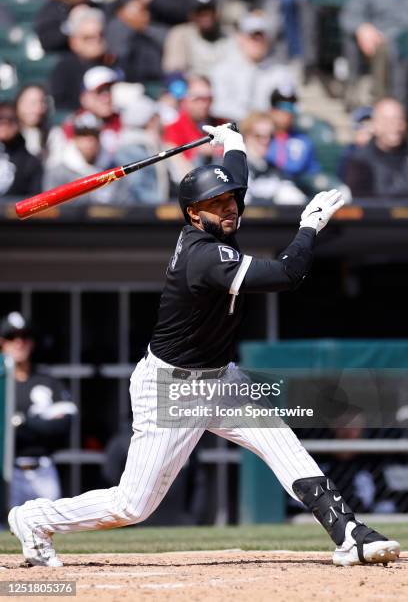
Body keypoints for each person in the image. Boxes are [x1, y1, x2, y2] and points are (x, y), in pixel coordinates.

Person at [9, 123, 399, 568]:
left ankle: (350, 533)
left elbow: (236, 173)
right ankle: (36, 517)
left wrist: (230, 140)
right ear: (195, 214)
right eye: (217, 204)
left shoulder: (217, 226)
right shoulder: (204, 255)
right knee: (132, 506)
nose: (229, 209)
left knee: (282, 443)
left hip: (219, 377)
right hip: (173, 387)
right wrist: (308, 227)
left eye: (231, 200)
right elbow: (286, 275)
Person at [0, 312, 76, 508]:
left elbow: (63, 425)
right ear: (2, 342)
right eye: (11, 337)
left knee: (50, 525)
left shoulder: (47, 381)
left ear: (32, 342)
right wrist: (38, 423)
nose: (19, 343)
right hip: (6, 470)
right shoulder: (2, 383)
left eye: (24, 337)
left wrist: (20, 422)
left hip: (43, 469)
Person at [210, 10, 295, 122]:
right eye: (253, 37)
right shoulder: (222, 70)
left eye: (262, 37)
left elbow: (289, 107)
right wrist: (252, 120)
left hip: (269, 131)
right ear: (241, 38)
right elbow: (218, 107)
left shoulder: (280, 72)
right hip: (233, 130)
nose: (258, 42)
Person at [340, 0, 408, 106]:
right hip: (381, 43)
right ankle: (381, 104)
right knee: (385, 50)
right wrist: (362, 28)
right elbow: (348, 18)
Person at [47, 66, 123, 166]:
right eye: (100, 92)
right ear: (84, 97)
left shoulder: (125, 120)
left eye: (109, 90)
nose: (106, 98)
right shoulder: (73, 126)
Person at [49, 6, 117, 111]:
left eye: (100, 35)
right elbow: (62, 108)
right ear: (73, 41)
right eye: (88, 38)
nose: (96, 42)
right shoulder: (64, 69)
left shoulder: (115, 62)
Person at [43, 111, 119, 205]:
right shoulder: (59, 171)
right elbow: (50, 207)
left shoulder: (114, 170)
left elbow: (123, 206)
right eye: (83, 135)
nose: (89, 141)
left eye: (94, 135)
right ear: (74, 138)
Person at [343, 98, 408, 199]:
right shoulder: (360, 161)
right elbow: (362, 203)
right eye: (388, 121)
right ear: (375, 125)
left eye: (399, 119)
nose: (396, 125)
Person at [163, 74, 222, 180]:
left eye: (208, 99)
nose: (204, 104)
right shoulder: (173, 129)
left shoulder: (221, 124)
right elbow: (181, 171)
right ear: (184, 100)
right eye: (197, 99)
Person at [240, 110, 306, 204]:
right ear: (246, 136)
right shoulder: (233, 167)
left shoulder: (273, 169)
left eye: (270, 136)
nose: (266, 141)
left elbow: (295, 200)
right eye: (259, 136)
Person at [162, 0, 230, 77]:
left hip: (222, 84)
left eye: (209, 12)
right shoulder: (180, 34)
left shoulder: (226, 36)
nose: (206, 17)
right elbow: (173, 70)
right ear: (192, 15)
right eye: (200, 13)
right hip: (192, 85)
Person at [106, 0, 163, 85]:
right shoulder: (115, 28)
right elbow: (119, 55)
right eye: (141, 10)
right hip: (125, 82)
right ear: (122, 13)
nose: (146, 14)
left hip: (154, 81)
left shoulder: (149, 31)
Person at [266, 86, 321, 180]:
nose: (287, 113)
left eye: (291, 107)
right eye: (282, 107)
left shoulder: (303, 141)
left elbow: (308, 173)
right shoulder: (261, 137)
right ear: (272, 110)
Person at [0, 102, 43, 199]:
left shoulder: (32, 162)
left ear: (19, 123)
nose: (5, 124)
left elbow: (34, 202)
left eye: (11, 119)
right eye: (1, 118)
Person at [337, 106, 373, 182]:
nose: (368, 129)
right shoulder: (349, 154)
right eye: (362, 125)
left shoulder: (382, 152)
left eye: (371, 124)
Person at [15, 85, 50, 159]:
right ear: (18, 104)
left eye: (42, 103)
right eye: (32, 103)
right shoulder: (6, 133)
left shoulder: (53, 135)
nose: (37, 109)